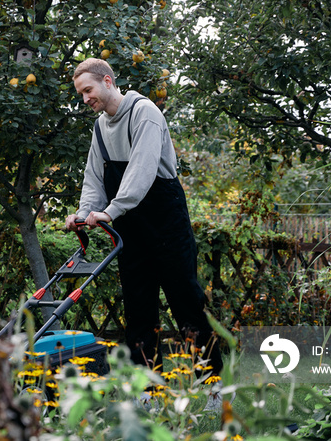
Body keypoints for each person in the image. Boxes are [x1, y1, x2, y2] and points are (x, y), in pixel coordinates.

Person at [65, 58, 224, 407]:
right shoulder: (100, 128)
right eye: (81, 94)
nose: (85, 99)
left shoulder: (144, 112)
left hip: (165, 221)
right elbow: (94, 176)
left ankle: (212, 388)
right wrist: (83, 213)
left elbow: (142, 169)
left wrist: (110, 210)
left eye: (88, 91)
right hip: (130, 227)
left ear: (107, 81)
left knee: (187, 305)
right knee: (139, 311)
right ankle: (146, 394)